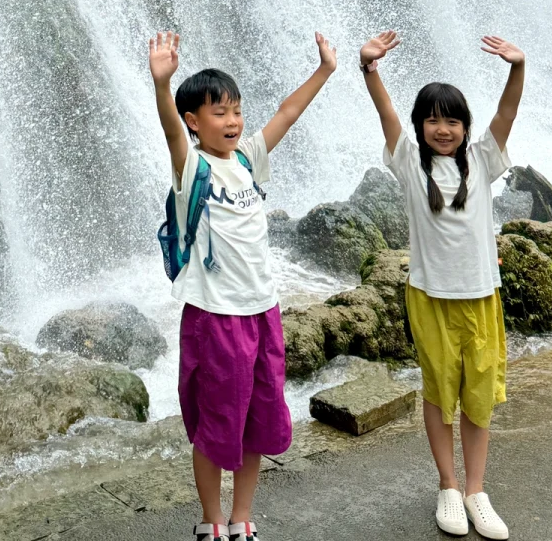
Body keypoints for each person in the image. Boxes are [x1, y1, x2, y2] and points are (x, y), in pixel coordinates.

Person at [149, 29, 337, 541]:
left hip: (262, 311)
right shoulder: (193, 167)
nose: (232, 121)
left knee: (255, 419)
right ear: (195, 122)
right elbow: (170, 133)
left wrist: (325, 70)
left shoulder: (249, 159)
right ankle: (211, 521)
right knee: (215, 426)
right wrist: (162, 85)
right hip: (215, 315)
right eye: (218, 112)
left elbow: (288, 113)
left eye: (235, 110)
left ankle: (241, 518)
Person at [359, 29, 526, 540]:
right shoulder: (409, 164)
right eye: (432, 119)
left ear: (464, 125)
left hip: (481, 297)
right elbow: (386, 114)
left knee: (479, 396)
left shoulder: (482, 160)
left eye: (452, 119)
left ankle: (477, 490)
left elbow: (508, 114)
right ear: (420, 126)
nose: (443, 128)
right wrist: (370, 69)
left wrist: (517, 67)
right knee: (439, 394)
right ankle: (448, 486)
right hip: (430, 298)